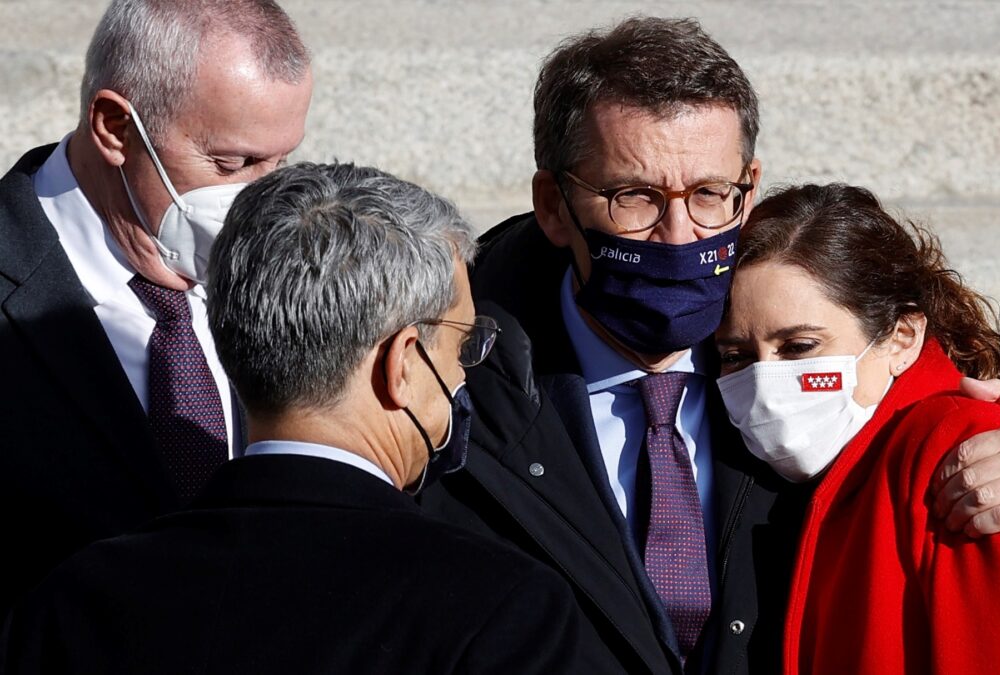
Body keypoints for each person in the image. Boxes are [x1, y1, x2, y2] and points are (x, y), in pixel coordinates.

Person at [420, 16, 1000, 675]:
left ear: (749, 185)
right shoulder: (445, 382)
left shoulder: (800, 343)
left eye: (710, 193)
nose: (680, 234)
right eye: (636, 197)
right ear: (554, 204)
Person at [0, 162, 584, 675]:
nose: (463, 378)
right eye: (463, 344)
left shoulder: (76, 599)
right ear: (402, 363)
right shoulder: (498, 607)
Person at [715, 183, 1000, 673]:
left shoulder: (969, 454)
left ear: (902, 336)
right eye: (736, 356)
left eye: (800, 347)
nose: (765, 381)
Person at [0, 0, 313, 619]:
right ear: (116, 128)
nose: (263, 199)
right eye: (232, 164)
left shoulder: (293, 272)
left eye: (280, 163)